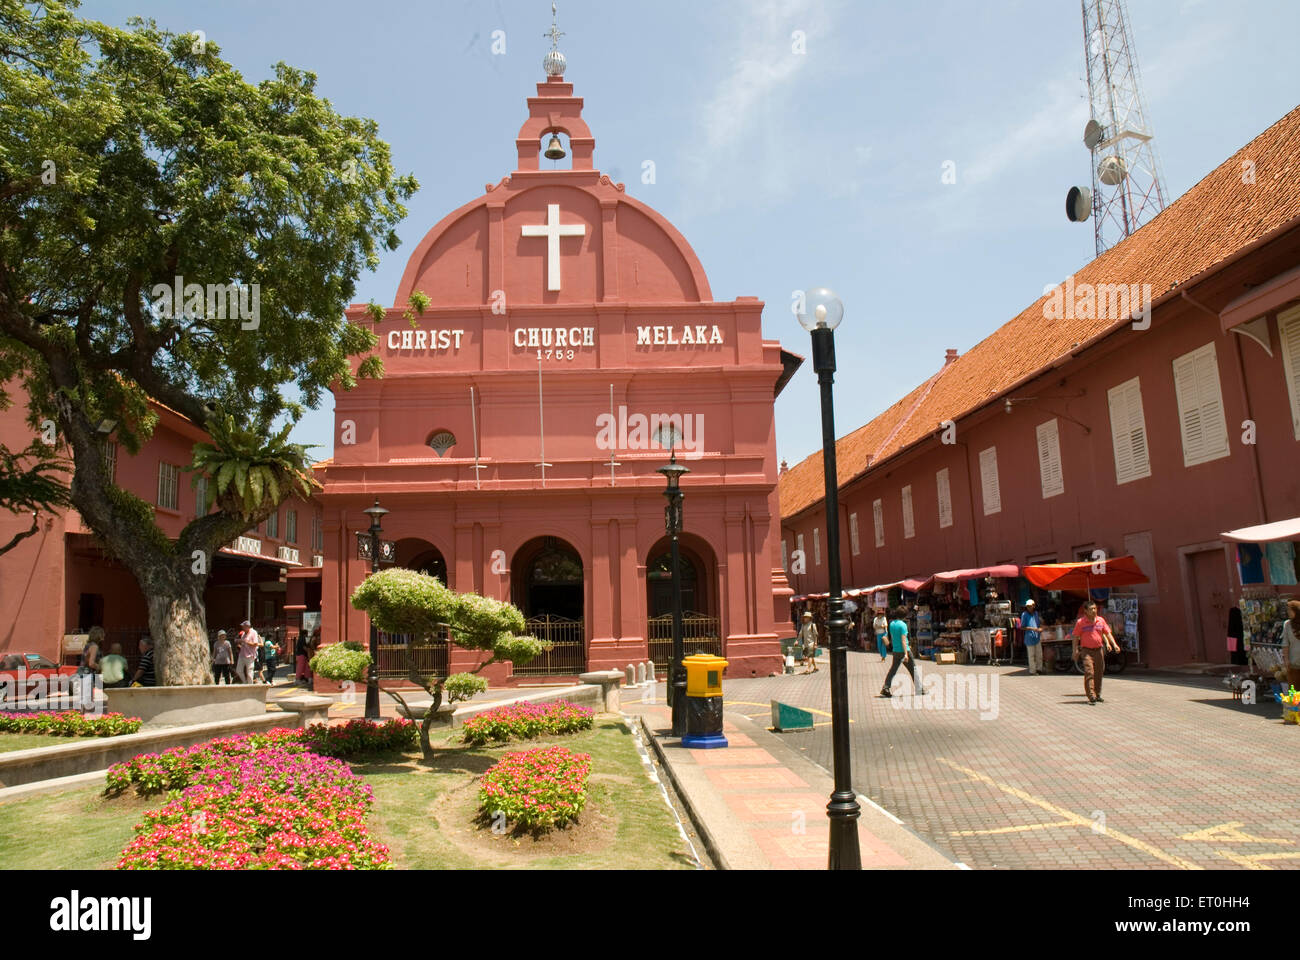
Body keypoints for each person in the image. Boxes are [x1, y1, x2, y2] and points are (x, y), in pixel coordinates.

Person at [1071, 599, 1120, 704]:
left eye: (1095, 608)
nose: (1094, 611)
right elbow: (1075, 637)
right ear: (1085, 611)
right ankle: (1091, 695)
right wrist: (1075, 650)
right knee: (1089, 672)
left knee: (1099, 672)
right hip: (1086, 651)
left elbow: (1107, 633)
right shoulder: (1081, 622)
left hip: (1099, 650)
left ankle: (1097, 694)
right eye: (1091, 609)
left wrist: (1114, 644)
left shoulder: (1100, 620)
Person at [881, 606, 919, 697]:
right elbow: (903, 640)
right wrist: (906, 654)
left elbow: (891, 636)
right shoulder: (903, 625)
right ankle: (919, 689)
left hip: (895, 651)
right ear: (905, 615)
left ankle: (886, 687)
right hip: (903, 650)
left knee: (893, 670)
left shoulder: (892, 624)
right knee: (913, 669)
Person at [1020, 600, 1043, 676]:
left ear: (1033, 606)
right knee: (1031, 655)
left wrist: (1040, 628)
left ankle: (1039, 669)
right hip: (1029, 637)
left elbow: (1039, 624)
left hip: (1037, 636)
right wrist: (1033, 629)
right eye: (1028, 606)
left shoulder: (1036, 614)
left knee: (1039, 654)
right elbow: (1022, 627)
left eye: (1030, 606)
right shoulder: (1024, 614)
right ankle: (1032, 671)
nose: (1029, 607)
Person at [234, 620, 260, 684]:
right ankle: (245, 682)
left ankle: (250, 685)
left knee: (249, 672)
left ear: (247, 626)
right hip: (242, 654)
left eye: (243, 626)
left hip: (250, 655)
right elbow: (242, 642)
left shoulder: (253, 632)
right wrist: (239, 641)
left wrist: (246, 642)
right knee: (239, 670)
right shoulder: (243, 633)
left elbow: (255, 644)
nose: (242, 628)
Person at [1284, 600, 1300, 692]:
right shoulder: (1287, 624)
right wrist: (1286, 659)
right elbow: (1285, 643)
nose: (1288, 613)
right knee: (1295, 690)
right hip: (1294, 662)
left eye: (1290, 610)